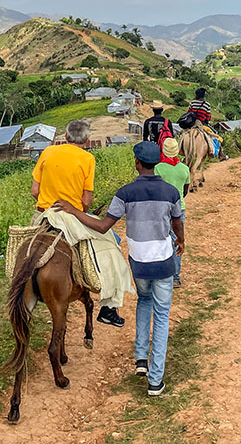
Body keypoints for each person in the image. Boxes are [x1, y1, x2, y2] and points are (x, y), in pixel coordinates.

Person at [53, 141, 184, 397]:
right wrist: (182, 240)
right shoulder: (170, 192)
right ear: (157, 163)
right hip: (164, 262)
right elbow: (177, 223)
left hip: (139, 263)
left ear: (137, 163)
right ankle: (155, 380)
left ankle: (140, 361)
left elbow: (102, 226)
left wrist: (72, 211)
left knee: (144, 302)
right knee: (162, 315)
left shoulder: (125, 193)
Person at [32, 119, 125, 327]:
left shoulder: (47, 152)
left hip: (44, 215)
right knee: (114, 242)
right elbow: (85, 202)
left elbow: (35, 192)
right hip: (70, 216)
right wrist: (77, 210)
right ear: (87, 139)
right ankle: (109, 307)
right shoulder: (88, 158)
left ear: (65, 137)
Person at [154, 137, 189, 287]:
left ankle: (161, 273)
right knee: (177, 240)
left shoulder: (158, 168)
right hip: (179, 207)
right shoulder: (185, 169)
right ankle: (175, 277)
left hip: (162, 208)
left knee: (161, 239)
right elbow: (185, 190)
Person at [187, 88, 228, 161]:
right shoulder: (207, 104)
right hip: (202, 124)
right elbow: (208, 117)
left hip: (192, 124)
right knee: (215, 134)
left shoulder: (192, 103)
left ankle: (184, 154)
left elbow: (188, 113)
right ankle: (220, 154)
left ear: (197, 95)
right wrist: (206, 120)